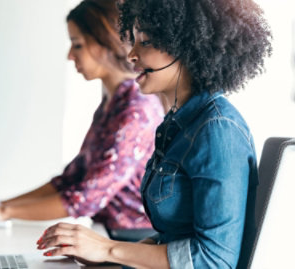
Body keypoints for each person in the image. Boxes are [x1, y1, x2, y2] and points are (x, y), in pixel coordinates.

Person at [36, 0, 272, 268]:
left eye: (145, 42)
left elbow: (214, 260)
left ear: (187, 44)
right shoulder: (177, 122)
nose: (131, 55)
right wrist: (102, 256)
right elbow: (174, 236)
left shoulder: (217, 129)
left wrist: (108, 249)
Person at [0, 0, 164, 235]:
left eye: (77, 45)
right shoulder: (113, 102)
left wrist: (5, 213)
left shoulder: (136, 110)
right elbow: (71, 178)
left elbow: (86, 198)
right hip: (110, 233)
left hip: (132, 242)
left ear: (103, 42)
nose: (69, 55)